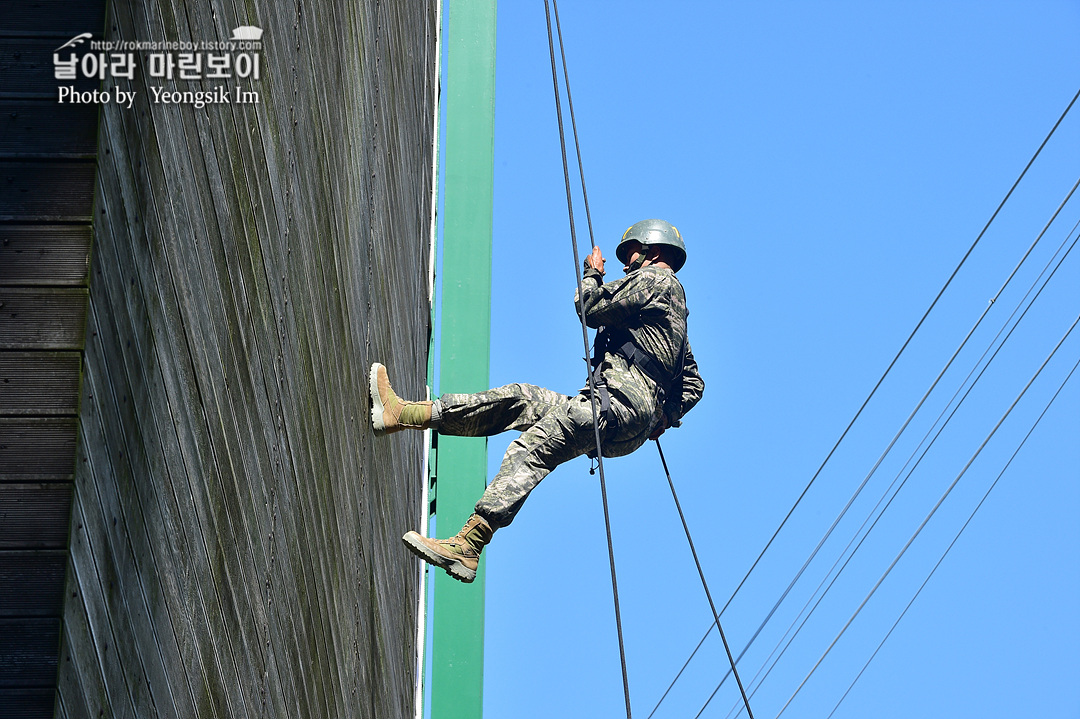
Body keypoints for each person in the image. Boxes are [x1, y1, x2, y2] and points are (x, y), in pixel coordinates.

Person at [370, 219, 704, 583]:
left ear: (653, 251)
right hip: (620, 416)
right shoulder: (676, 313)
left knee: (535, 446)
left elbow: (588, 307)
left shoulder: (656, 280)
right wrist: (663, 417)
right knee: (521, 399)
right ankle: (403, 414)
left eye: (632, 253)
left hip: (615, 405)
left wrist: (591, 274)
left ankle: (469, 545)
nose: (626, 263)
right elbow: (694, 383)